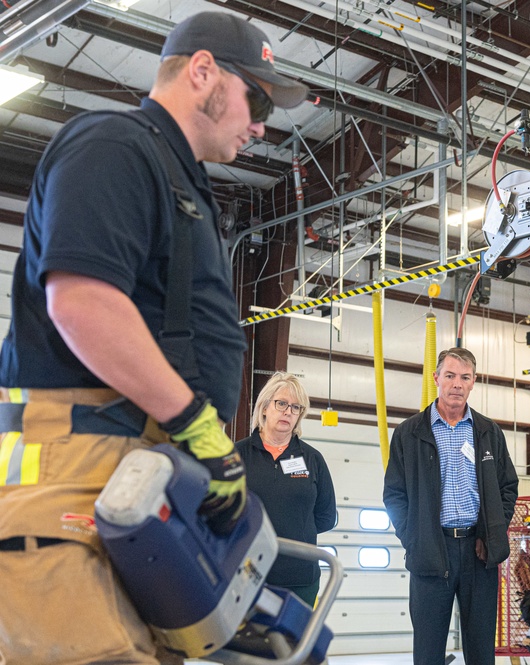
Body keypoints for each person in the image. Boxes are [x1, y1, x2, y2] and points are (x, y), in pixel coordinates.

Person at [0, 12, 308, 664]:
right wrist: (196, 421)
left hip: (145, 489)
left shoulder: (179, 178)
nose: (261, 123)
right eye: (255, 97)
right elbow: (82, 301)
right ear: (201, 72)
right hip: (76, 480)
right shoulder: (114, 145)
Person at [383, 347, 519, 665]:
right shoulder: (409, 433)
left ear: (473, 383)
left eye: (465, 377)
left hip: (479, 552)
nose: (457, 384)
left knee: (482, 651)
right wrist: (414, 538)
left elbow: (508, 487)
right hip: (431, 550)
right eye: (450, 375)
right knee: (428, 652)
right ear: (436, 379)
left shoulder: (488, 432)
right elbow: (394, 495)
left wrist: (493, 532)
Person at [236, 372, 337, 606]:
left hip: (300, 578)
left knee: (296, 642)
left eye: (296, 407)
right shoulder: (237, 455)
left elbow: (326, 517)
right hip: (246, 574)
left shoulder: (312, 459)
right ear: (264, 407)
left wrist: (296, 531)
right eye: (281, 403)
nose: (288, 412)